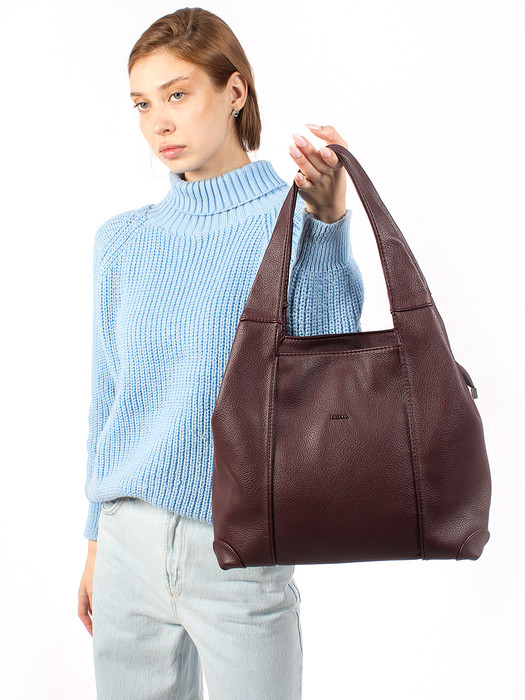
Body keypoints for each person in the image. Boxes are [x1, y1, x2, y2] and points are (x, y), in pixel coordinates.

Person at [77, 7, 364, 699]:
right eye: (142, 104)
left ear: (234, 91)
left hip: (236, 550)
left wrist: (327, 224)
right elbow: (108, 398)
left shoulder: (291, 221)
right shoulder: (121, 241)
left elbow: (330, 372)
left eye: (177, 94)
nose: (158, 123)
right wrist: (93, 543)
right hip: (125, 545)